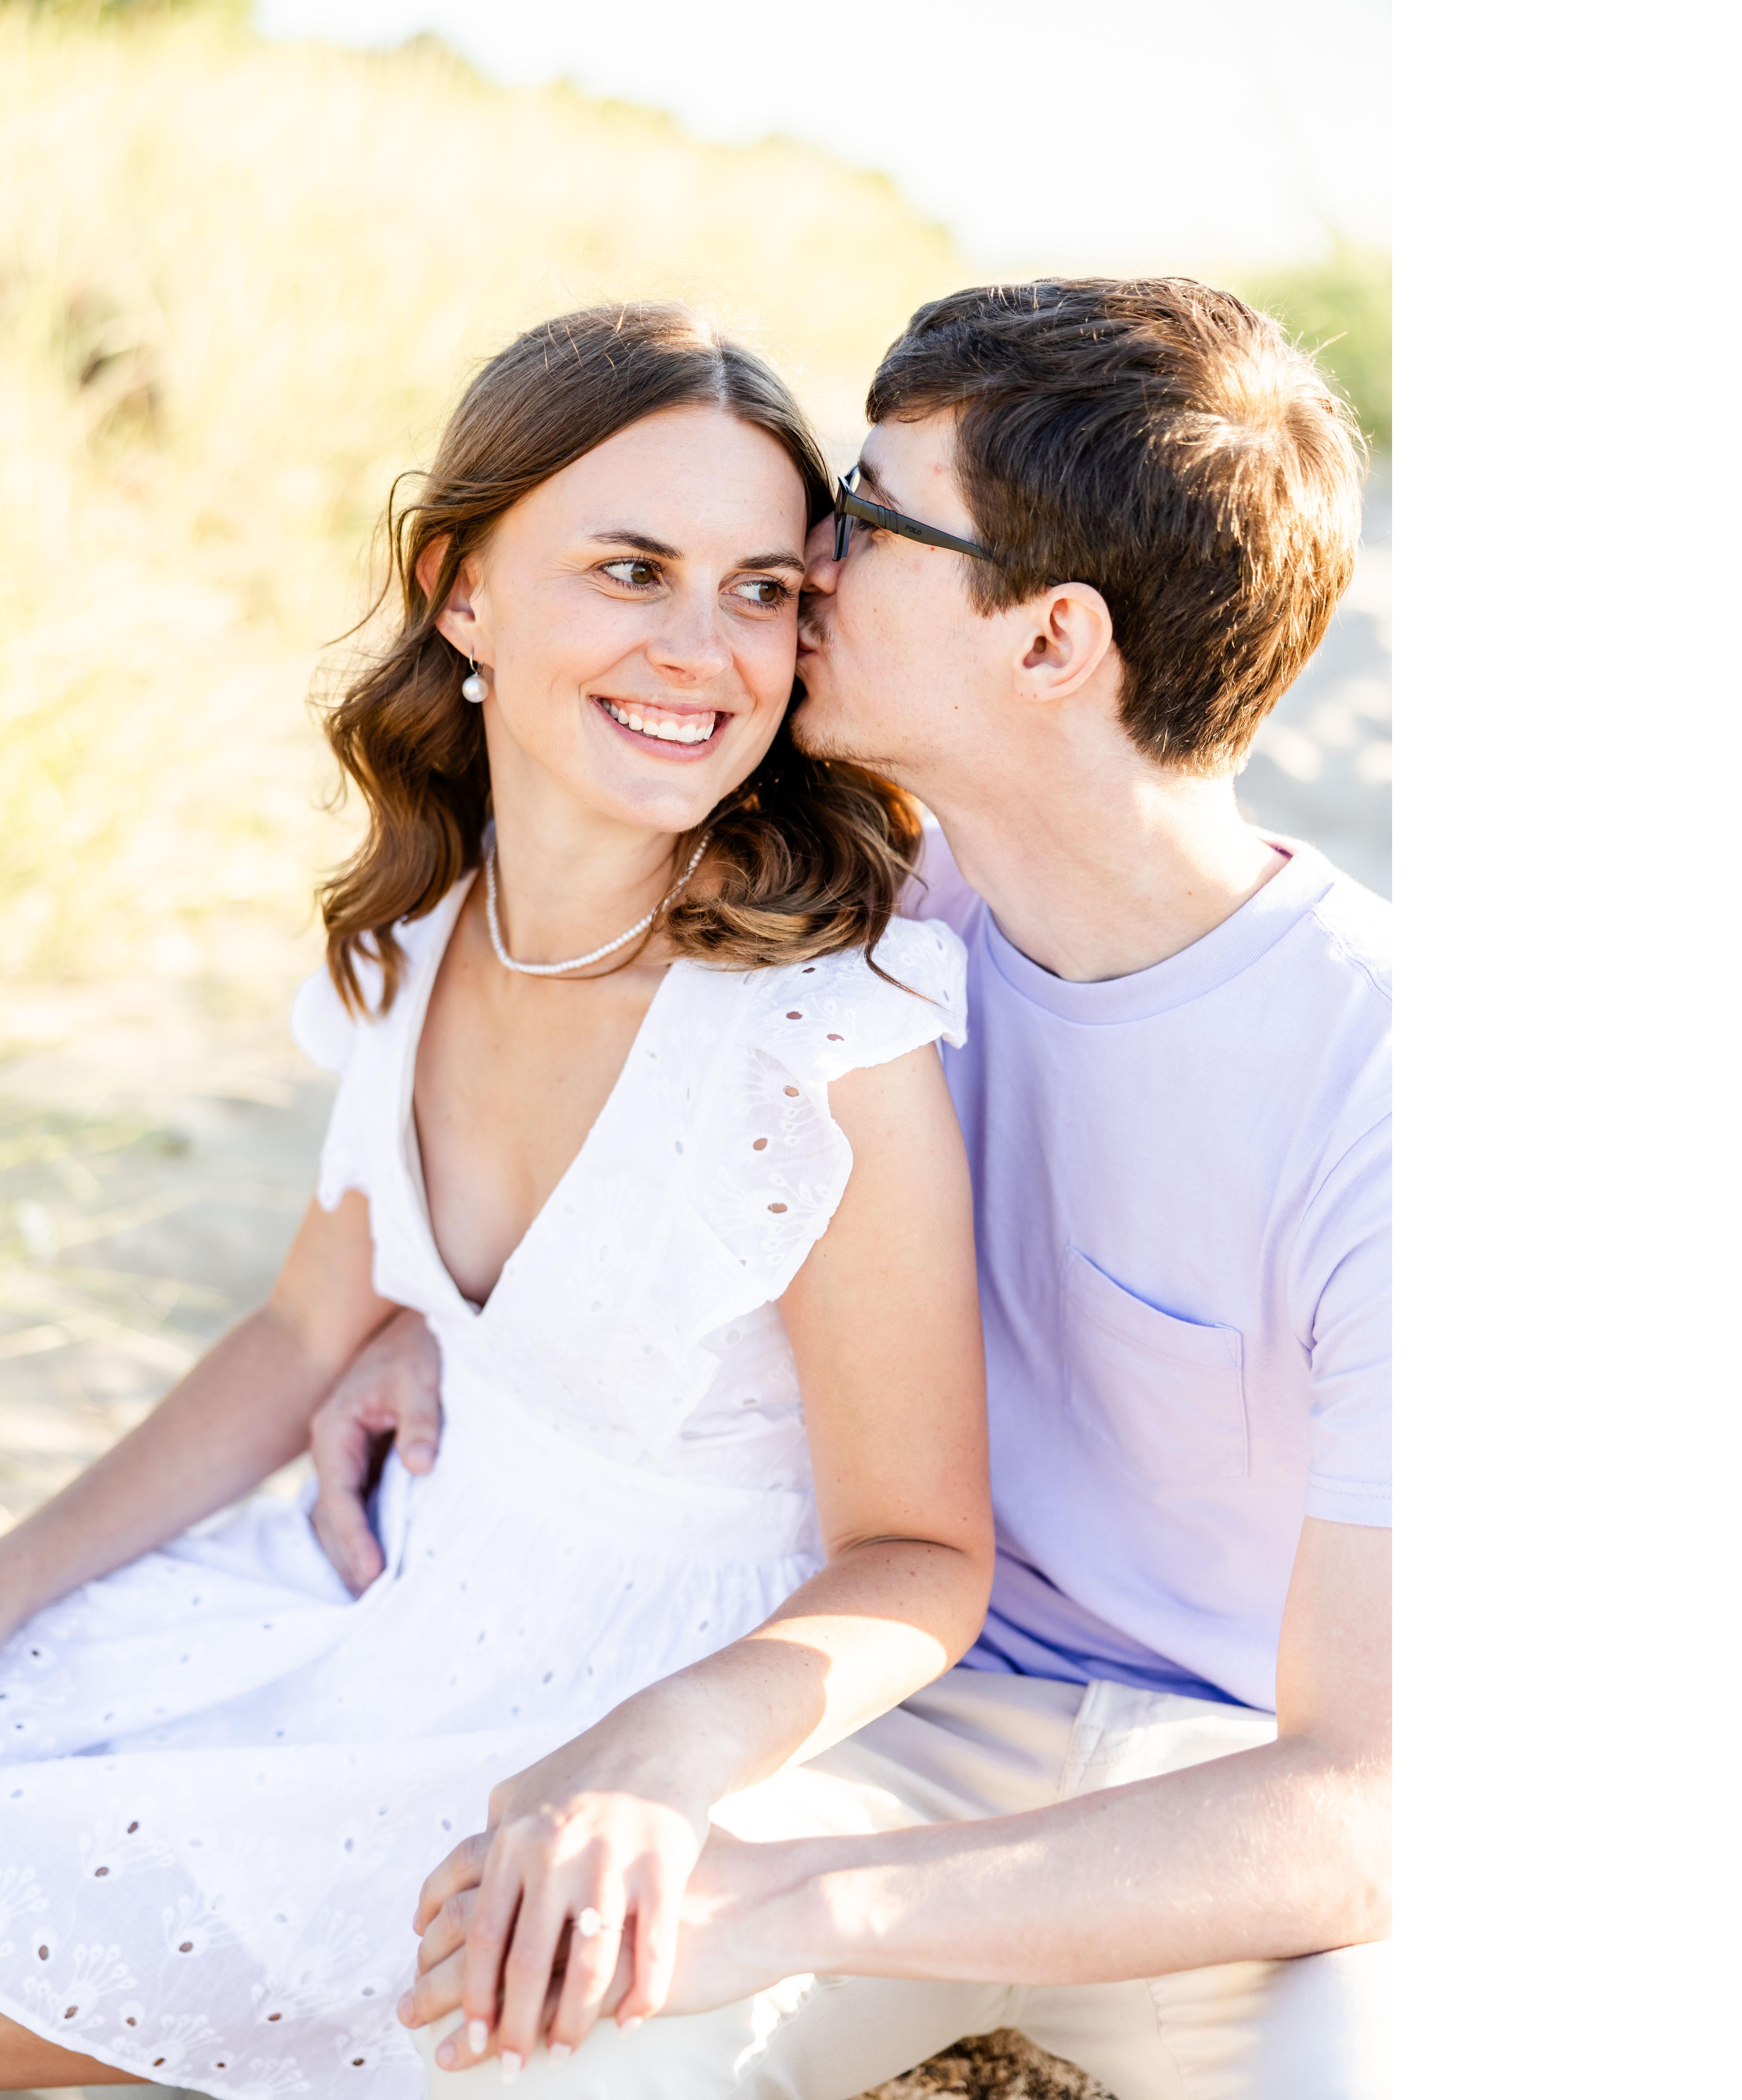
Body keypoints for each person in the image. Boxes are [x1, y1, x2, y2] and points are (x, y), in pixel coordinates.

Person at [387, 279, 1393, 2097]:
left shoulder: (1396, 1092)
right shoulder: (867, 914)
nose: (806, 561)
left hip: (1252, 1826)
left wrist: (801, 1902)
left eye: (866, 514)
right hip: (920, 1715)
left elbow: (1363, 1801)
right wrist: (418, 1321)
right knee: (535, 2040)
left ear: (1050, 644)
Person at [0, 304, 997, 2097]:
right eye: (632, 570)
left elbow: (921, 1559)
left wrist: (664, 1753)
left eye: (765, 590)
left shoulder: (813, 1043)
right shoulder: (418, 935)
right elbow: (307, 1326)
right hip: (388, 1583)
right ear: (462, 590)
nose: (705, 651)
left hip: (604, 1706)